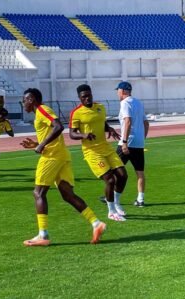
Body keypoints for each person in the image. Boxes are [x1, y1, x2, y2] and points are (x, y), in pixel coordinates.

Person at [20, 88, 106, 246]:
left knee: (38, 193)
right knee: (68, 194)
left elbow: (58, 126)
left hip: (52, 157)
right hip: (61, 156)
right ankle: (96, 223)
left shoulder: (42, 110)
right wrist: (37, 144)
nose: (23, 103)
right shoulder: (40, 113)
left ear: (31, 99)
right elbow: (52, 133)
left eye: (24, 99)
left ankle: (43, 235)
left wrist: (42, 146)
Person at [69, 84, 128, 221]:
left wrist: (110, 129)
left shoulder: (100, 107)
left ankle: (117, 203)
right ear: (79, 98)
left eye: (89, 95)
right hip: (92, 151)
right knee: (110, 179)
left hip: (106, 148)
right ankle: (111, 211)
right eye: (84, 97)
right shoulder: (76, 113)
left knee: (123, 175)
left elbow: (102, 123)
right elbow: (72, 134)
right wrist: (83, 135)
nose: (87, 98)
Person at [115, 81, 149, 207]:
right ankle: (140, 199)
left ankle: (112, 196)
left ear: (122, 91)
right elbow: (146, 123)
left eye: (118, 90)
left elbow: (128, 121)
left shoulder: (125, 103)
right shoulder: (138, 103)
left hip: (127, 142)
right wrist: (142, 138)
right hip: (138, 143)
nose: (117, 93)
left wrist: (124, 142)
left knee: (114, 169)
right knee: (140, 172)